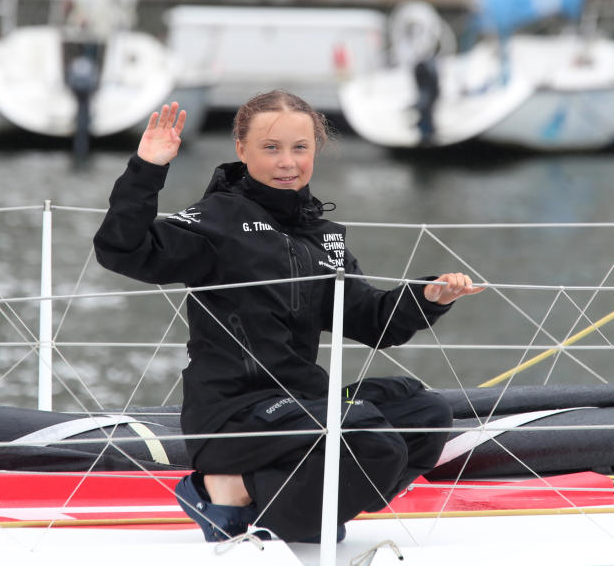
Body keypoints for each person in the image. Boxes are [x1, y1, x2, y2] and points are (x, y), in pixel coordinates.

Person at [93, 91, 483, 543]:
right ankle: (224, 490)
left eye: (300, 148)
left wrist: (429, 296)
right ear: (242, 150)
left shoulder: (322, 237)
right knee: (371, 440)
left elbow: (373, 322)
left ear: (315, 150)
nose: (287, 162)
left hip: (299, 408)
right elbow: (122, 250)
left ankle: (283, 501)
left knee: (425, 414)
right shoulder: (217, 220)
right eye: (271, 148)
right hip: (233, 414)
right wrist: (148, 167)